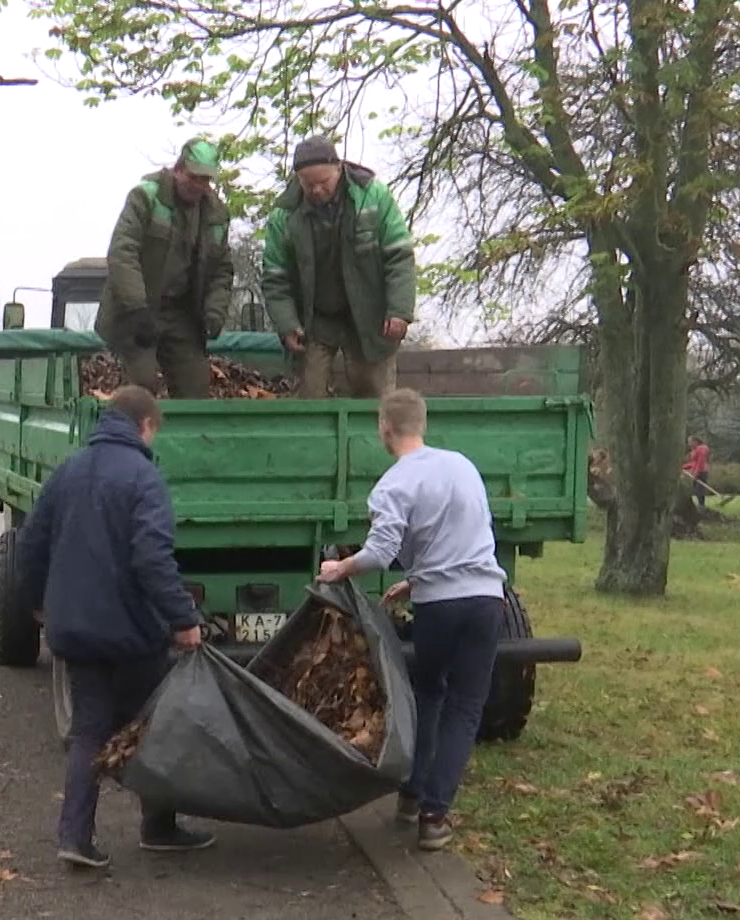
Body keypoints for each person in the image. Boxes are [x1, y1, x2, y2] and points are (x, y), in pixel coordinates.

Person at [16, 385, 214, 868]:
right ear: (145, 426)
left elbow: (31, 546)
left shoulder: (67, 470)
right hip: (130, 635)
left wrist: (37, 604)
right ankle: (159, 827)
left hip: (76, 630)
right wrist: (183, 620)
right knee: (151, 725)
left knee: (89, 730)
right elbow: (152, 558)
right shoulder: (144, 478)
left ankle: (75, 838)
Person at [316, 389, 504, 852]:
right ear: (423, 423)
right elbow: (468, 537)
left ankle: (414, 794)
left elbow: (380, 552)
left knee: (430, 692)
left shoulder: (394, 484)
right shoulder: (463, 466)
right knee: (466, 705)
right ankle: (434, 817)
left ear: (385, 428)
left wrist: (340, 569)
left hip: (439, 607)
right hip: (484, 600)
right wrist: (416, 579)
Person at [261, 136, 418, 399]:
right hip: (315, 320)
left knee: (374, 394)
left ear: (339, 169)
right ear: (297, 179)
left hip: (369, 315)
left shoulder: (373, 197)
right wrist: (287, 324)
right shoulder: (284, 215)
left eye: (324, 183)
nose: (317, 190)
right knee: (309, 394)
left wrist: (400, 310)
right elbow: (276, 277)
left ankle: (378, 440)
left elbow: (399, 255)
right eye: (308, 184)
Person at [94, 138, 235, 400]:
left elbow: (222, 269)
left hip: (182, 314)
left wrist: (214, 312)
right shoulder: (145, 197)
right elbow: (122, 253)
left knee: (196, 387)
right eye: (194, 177)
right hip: (137, 309)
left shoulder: (216, 214)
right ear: (178, 169)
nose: (200, 186)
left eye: (206, 180)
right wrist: (136, 308)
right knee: (143, 385)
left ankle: (187, 439)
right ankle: (133, 437)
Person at [682, 434, 711, 507]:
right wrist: (683, 467)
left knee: (699, 490)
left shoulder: (701, 449)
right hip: (696, 471)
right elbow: (694, 463)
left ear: (695, 442)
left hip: (702, 472)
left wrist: (696, 473)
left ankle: (701, 505)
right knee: (696, 490)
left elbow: (700, 462)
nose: (689, 444)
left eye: (690, 441)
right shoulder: (694, 451)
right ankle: (701, 504)